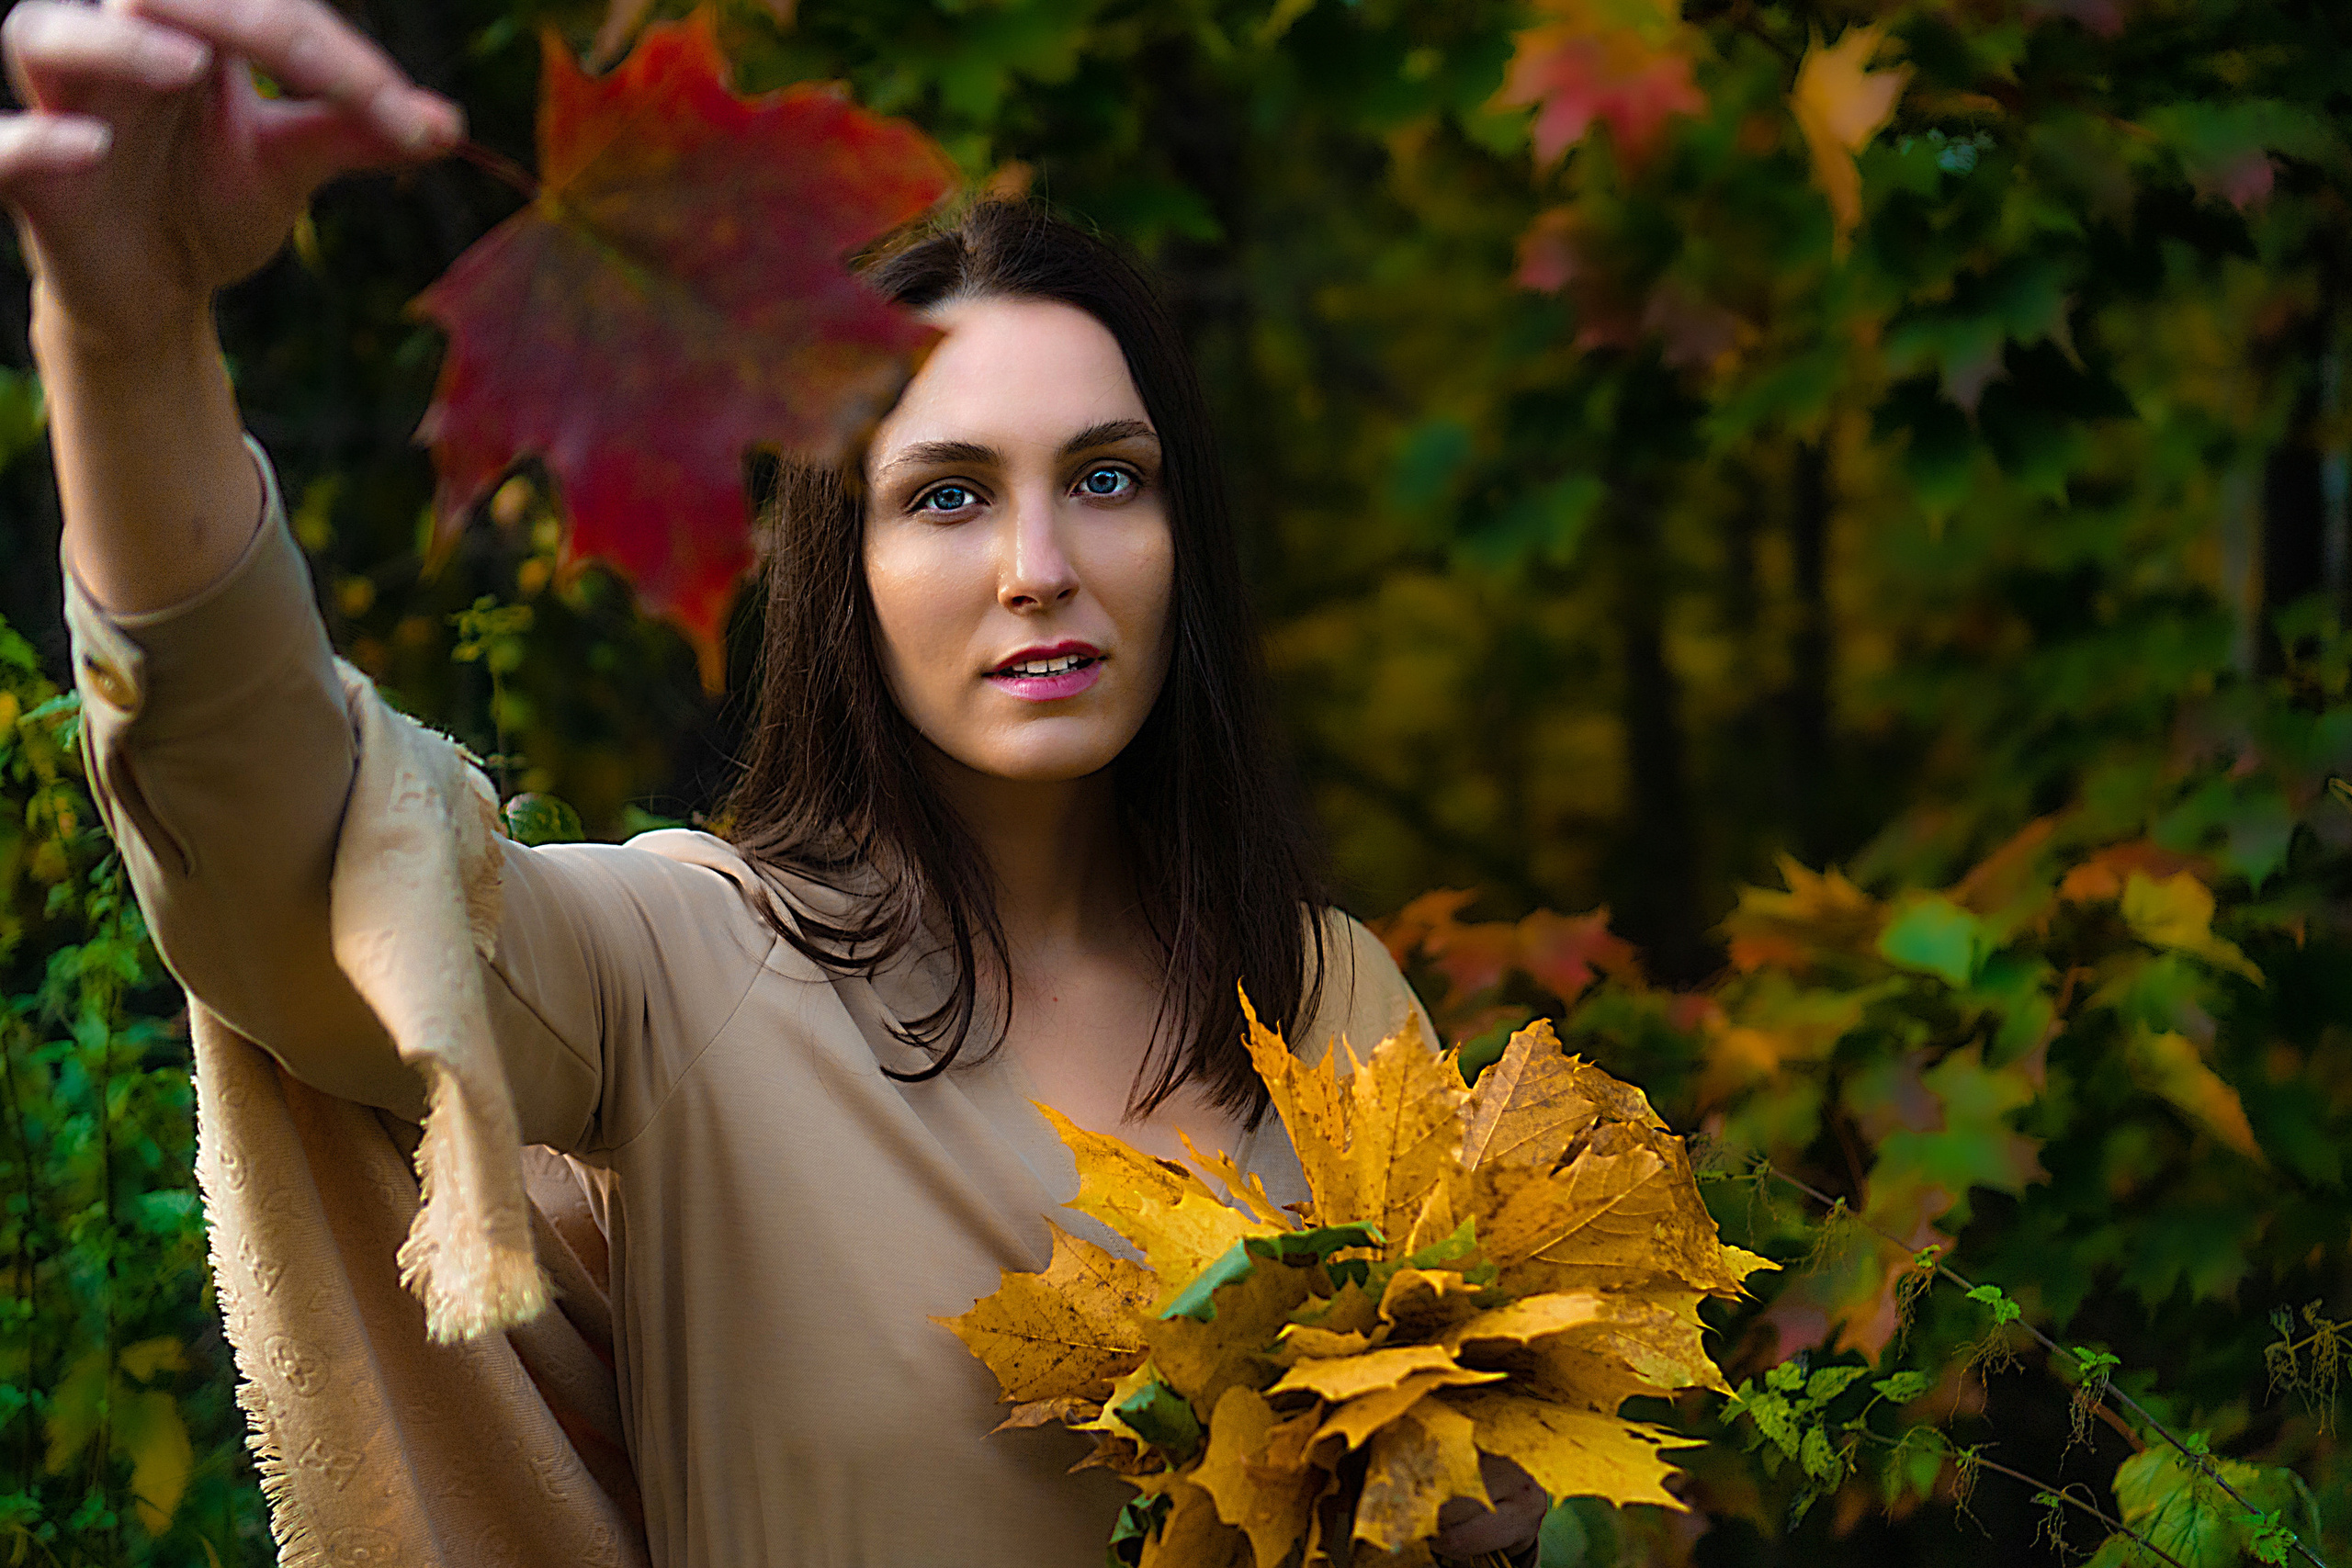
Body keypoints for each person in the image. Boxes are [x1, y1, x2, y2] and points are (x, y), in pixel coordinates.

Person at [0, 0, 1549, 1562]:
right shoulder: (693, 965)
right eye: (947, 495)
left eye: (1104, 478)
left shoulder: (1326, 994)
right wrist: (126, 336)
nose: (1040, 568)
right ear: (842, 568)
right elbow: (298, 864)